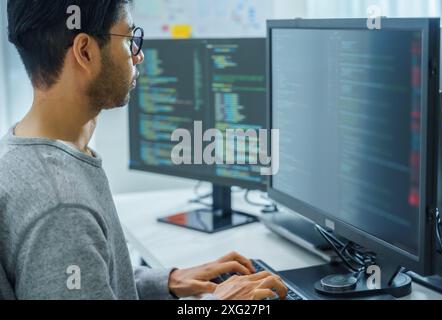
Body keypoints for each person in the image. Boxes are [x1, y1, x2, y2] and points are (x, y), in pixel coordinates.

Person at [0, 0, 288, 300]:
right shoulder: (63, 208)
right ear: (85, 52)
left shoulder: (21, 152)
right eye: (129, 39)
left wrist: (167, 280)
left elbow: (91, 283)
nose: (137, 56)